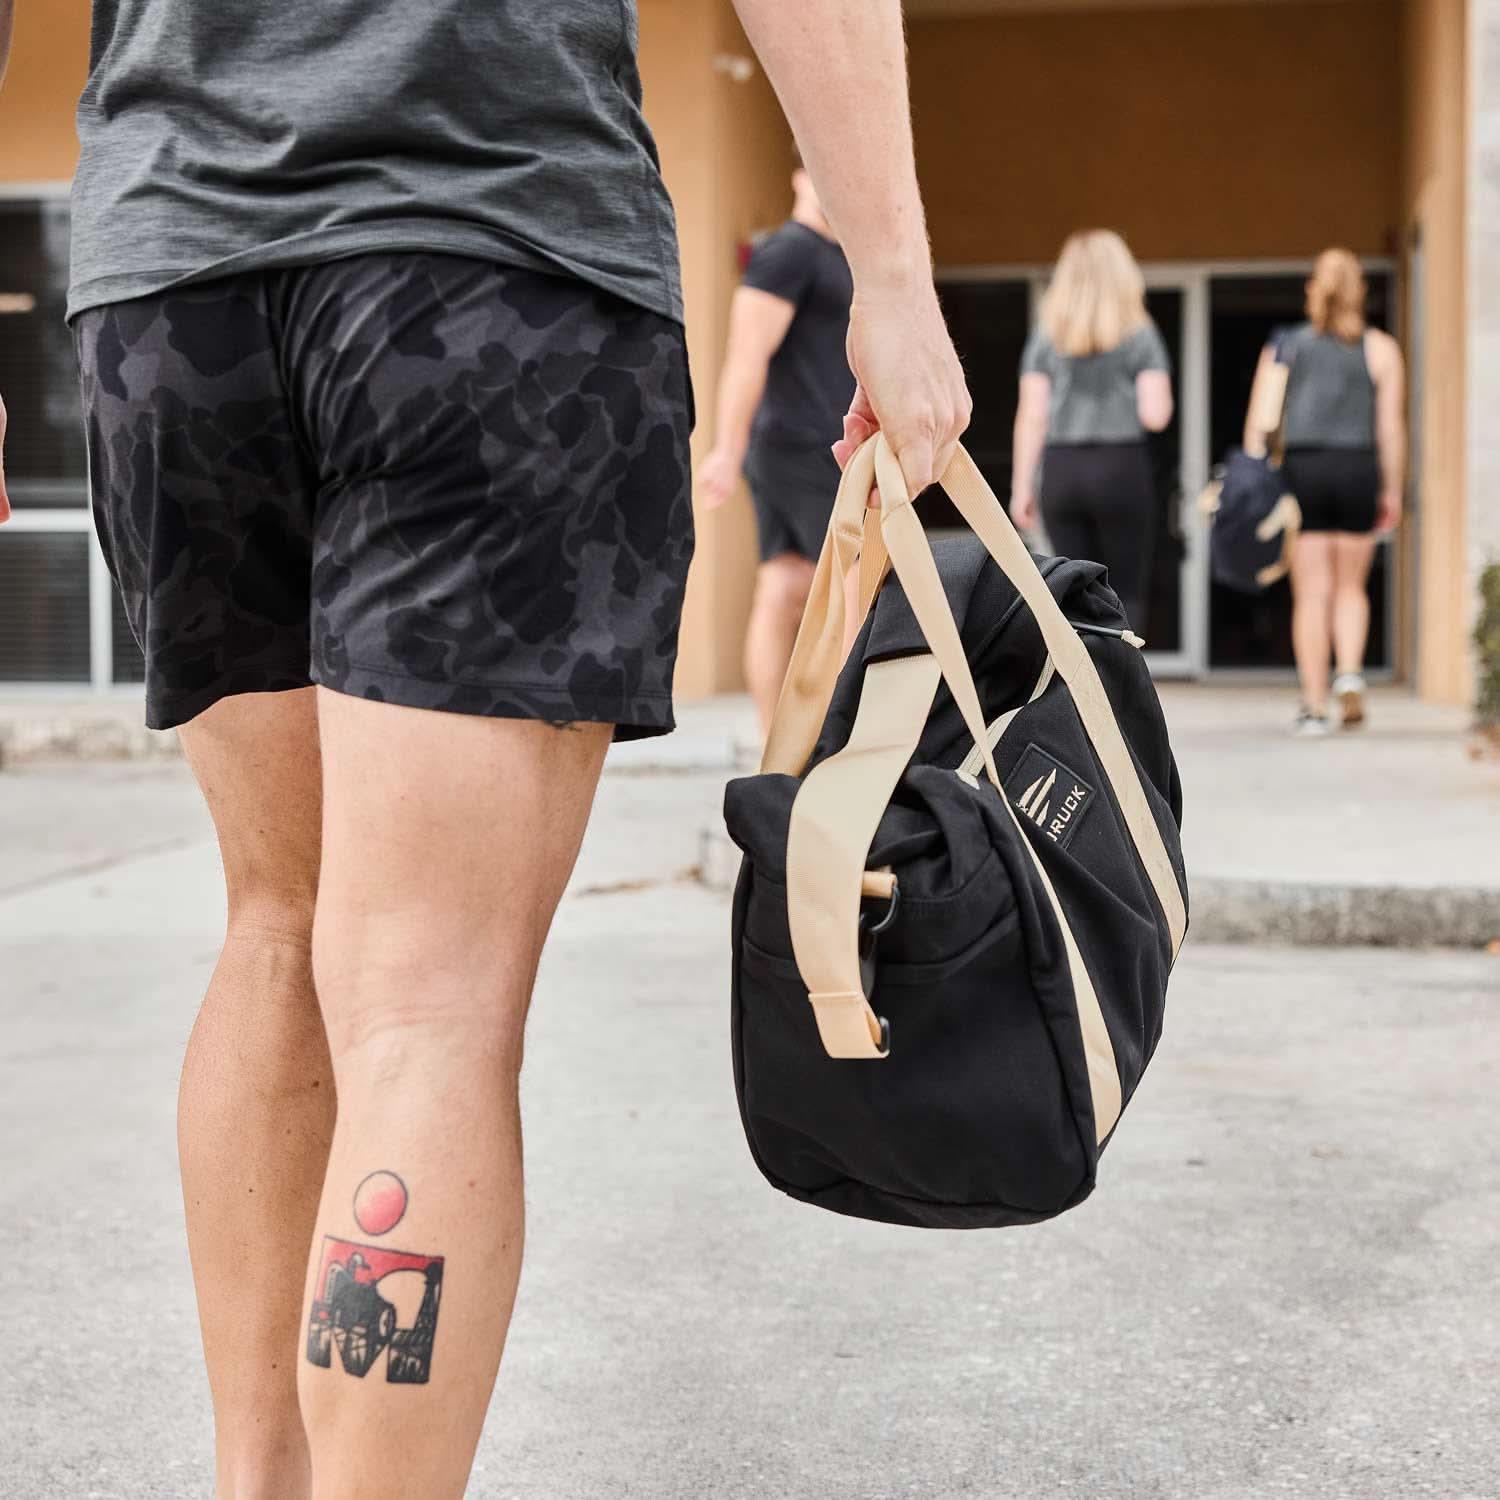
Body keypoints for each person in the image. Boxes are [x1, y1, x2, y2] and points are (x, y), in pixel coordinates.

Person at [0, 2, 969, 1497]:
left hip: (174, 287)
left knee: (277, 923)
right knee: (423, 1006)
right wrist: (891, 271)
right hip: (491, 246)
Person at [698, 163, 855, 732]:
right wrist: (725, 449)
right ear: (797, 177)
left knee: (787, 584)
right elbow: (746, 355)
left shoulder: (837, 256)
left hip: (818, 442)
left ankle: (781, 747)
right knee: (852, 588)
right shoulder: (788, 252)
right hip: (799, 445)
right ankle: (824, 738)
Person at [1243, 248, 1405, 735]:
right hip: (1357, 467)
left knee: (1311, 593)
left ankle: (1314, 706)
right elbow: (1390, 429)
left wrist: (1258, 480)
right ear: (1360, 291)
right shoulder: (1380, 348)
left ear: (1314, 288)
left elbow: (1260, 424)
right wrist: (1392, 488)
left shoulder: (1284, 346)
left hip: (1304, 470)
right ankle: (1350, 672)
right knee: (1352, 586)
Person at [1009, 229, 1174, 631]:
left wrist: (1022, 487)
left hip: (1063, 470)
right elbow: (1156, 415)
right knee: (1125, 591)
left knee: (1071, 588)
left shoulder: (1045, 339)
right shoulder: (1141, 335)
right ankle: (1121, 684)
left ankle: (1079, 687)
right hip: (1122, 467)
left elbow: (1032, 415)